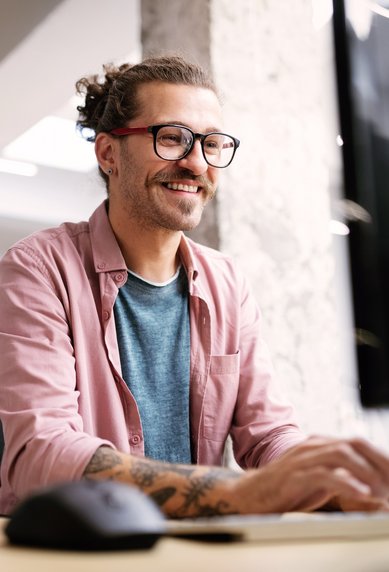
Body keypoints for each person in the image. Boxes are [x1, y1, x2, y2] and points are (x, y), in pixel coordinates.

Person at [1, 55, 389, 518]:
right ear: (108, 153)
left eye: (213, 144)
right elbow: (42, 456)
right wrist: (242, 494)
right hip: (79, 551)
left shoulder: (227, 283)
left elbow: (267, 434)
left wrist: (325, 478)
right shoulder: (38, 269)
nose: (195, 162)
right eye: (171, 138)